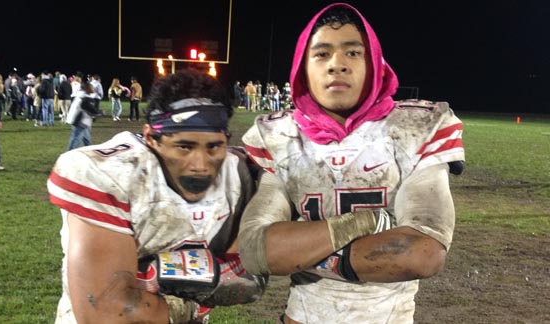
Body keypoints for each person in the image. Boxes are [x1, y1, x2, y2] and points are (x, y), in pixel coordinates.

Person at [238, 3, 465, 324]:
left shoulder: (417, 127)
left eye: (353, 53)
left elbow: (422, 252)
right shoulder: (280, 136)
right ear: (303, 68)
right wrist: (365, 224)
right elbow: (255, 249)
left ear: (374, 63)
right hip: (303, 315)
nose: (337, 65)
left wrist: (300, 250)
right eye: (321, 54)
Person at [47, 68, 266, 324]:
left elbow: (252, 276)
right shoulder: (112, 174)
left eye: (214, 147)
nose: (200, 164)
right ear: (151, 137)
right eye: (184, 147)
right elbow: (107, 312)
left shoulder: (239, 172)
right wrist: (190, 305)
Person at [65, 80, 97, 151]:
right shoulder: (84, 97)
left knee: (87, 140)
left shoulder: (81, 96)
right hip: (80, 121)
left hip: (82, 121)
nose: (93, 88)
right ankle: (69, 155)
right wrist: (99, 112)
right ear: (87, 89)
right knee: (76, 139)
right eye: (92, 87)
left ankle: (89, 153)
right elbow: (90, 109)